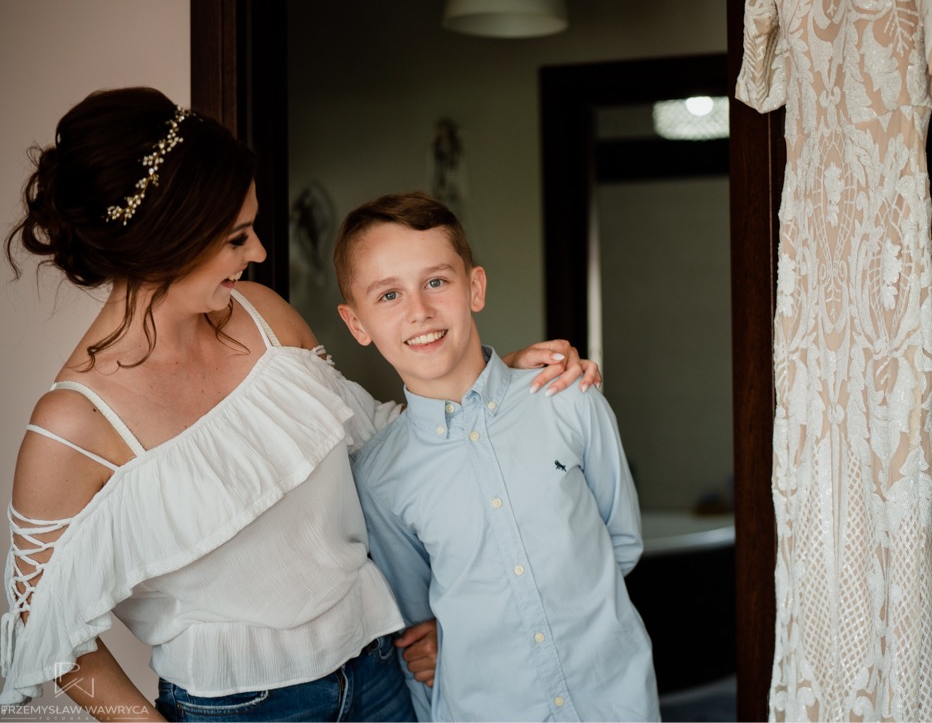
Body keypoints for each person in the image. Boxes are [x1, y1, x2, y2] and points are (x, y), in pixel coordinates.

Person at [0, 87, 599, 723]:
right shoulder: (71, 427)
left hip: (381, 674)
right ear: (165, 243)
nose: (259, 252)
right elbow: (44, 638)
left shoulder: (265, 319)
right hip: (241, 711)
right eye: (238, 238)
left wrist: (495, 381)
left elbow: (386, 448)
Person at [333, 192, 659, 722]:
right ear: (357, 324)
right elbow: (420, 627)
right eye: (389, 295)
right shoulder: (380, 477)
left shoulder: (568, 400)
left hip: (613, 701)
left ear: (475, 288)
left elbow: (619, 541)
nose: (419, 311)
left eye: (436, 282)